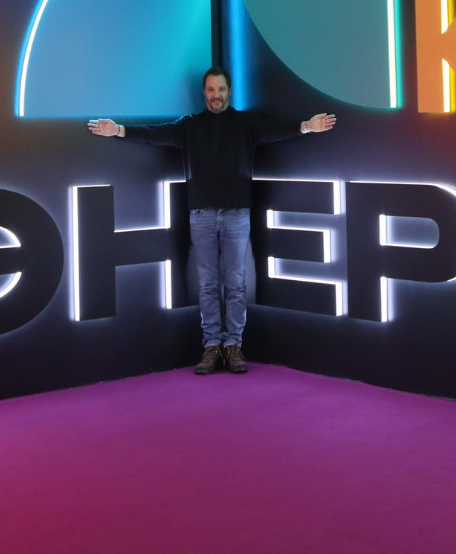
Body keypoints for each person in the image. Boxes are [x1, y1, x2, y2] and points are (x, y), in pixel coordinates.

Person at [89, 68, 335, 374]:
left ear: (229, 91)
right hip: (201, 215)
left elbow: (277, 130)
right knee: (207, 285)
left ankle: (233, 345)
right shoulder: (190, 126)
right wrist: (119, 130)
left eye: (220, 89)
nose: (215, 95)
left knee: (236, 284)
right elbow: (155, 133)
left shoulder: (246, 124)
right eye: (210, 90)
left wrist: (307, 127)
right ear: (204, 92)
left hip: (237, 214)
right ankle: (211, 346)